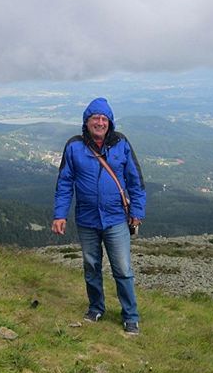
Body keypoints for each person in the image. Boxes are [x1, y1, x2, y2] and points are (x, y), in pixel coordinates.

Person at [52, 97, 146, 335]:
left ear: (110, 122)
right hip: (87, 219)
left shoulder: (121, 144)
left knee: (123, 269)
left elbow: (135, 180)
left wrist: (137, 211)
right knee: (91, 266)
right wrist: (59, 214)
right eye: (96, 118)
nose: (100, 122)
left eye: (104, 119)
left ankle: (131, 316)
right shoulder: (74, 146)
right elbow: (64, 183)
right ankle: (96, 308)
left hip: (115, 218)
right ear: (87, 121)